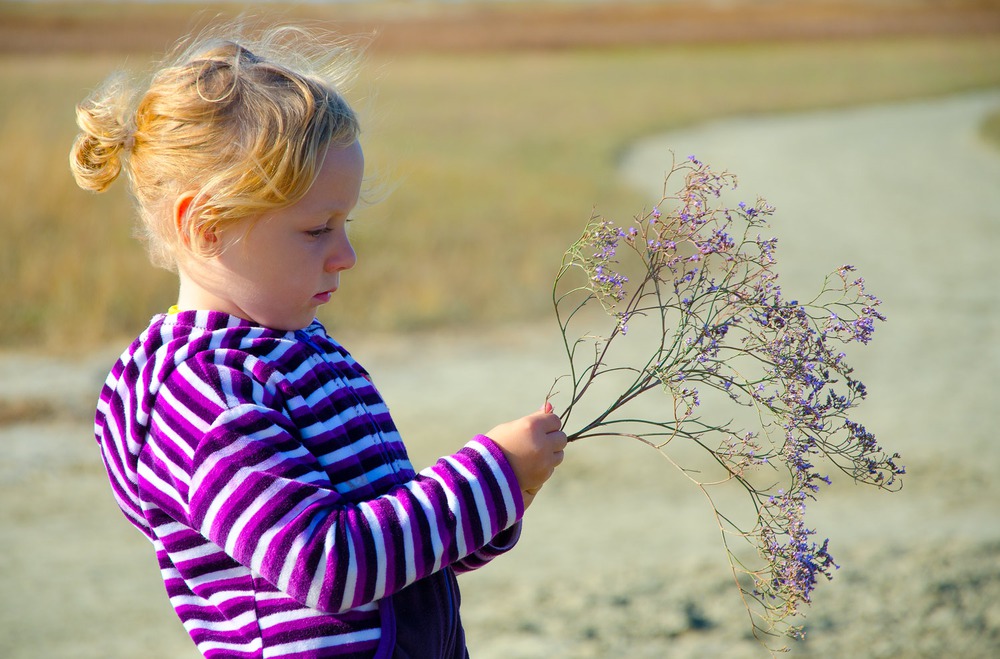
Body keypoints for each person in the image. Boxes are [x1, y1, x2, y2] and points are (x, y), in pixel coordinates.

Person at [71, 22, 567, 659]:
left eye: (346, 223)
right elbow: (329, 565)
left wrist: (501, 498)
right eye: (315, 231)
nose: (346, 255)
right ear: (205, 225)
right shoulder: (201, 394)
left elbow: (392, 551)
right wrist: (486, 476)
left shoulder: (304, 350)